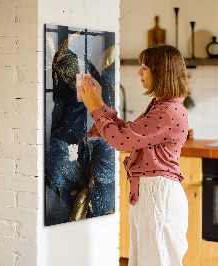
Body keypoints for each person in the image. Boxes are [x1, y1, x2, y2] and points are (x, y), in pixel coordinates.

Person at [79, 44, 190, 266]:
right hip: (152, 194)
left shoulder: (168, 111)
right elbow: (129, 132)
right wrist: (99, 103)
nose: (139, 72)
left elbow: (121, 141)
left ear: (161, 71)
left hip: (158, 196)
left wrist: (93, 107)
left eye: (145, 67)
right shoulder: (163, 106)